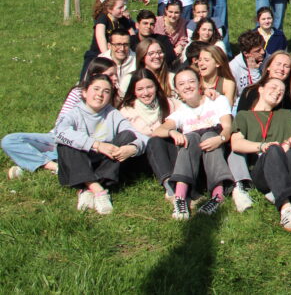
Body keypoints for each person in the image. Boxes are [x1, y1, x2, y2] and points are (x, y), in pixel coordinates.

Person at [230, 76, 291, 231]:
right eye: (273, 87)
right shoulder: (244, 116)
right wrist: (262, 146)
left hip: (286, 167)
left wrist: (289, 142)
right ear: (260, 89)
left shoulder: (284, 114)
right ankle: (286, 208)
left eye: (281, 92)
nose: (277, 92)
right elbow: (236, 143)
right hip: (262, 170)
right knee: (273, 149)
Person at [4, 60, 121, 181]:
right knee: (10, 141)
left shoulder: (117, 98)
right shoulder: (79, 92)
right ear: (95, 76)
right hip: (62, 138)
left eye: (116, 74)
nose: (115, 78)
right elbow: (61, 124)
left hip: (87, 147)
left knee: (76, 153)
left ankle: (33, 163)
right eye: (111, 75)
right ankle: (55, 166)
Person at [54, 72, 145, 215]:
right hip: (77, 164)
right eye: (96, 89)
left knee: (127, 136)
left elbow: (138, 136)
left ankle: (87, 189)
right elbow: (59, 132)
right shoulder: (74, 113)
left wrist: (133, 148)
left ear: (110, 96)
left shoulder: (113, 114)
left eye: (106, 91)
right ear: (85, 92)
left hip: (103, 165)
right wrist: (96, 145)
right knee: (67, 143)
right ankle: (97, 189)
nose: (100, 94)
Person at [152, 67, 234, 219]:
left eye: (191, 81)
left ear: (199, 83)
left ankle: (217, 196)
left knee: (209, 135)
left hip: (217, 153)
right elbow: (158, 131)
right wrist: (172, 132)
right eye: (181, 84)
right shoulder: (181, 112)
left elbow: (228, 127)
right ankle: (180, 198)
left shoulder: (217, 100)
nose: (187, 86)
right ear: (177, 90)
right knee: (190, 138)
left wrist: (220, 139)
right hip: (195, 164)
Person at [119, 67, 177, 197]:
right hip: (141, 157)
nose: (145, 93)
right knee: (154, 140)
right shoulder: (127, 111)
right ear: (134, 91)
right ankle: (169, 184)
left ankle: (178, 181)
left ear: (156, 87)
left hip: (167, 153)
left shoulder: (170, 104)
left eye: (149, 87)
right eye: (140, 89)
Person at [82, 0, 135, 76]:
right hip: (97, 54)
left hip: (117, 54)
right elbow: (100, 36)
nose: (123, 10)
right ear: (110, 9)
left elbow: (133, 36)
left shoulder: (122, 20)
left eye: (123, 7)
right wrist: (107, 56)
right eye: (120, 8)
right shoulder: (103, 18)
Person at [228, 30, 266, 97]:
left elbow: (263, 92)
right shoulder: (233, 68)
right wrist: (254, 71)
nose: (263, 52)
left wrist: (254, 71)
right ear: (246, 53)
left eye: (263, 47)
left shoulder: (267, 59)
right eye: (258, 51)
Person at [99, 28, 136, 96]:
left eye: (126, 44)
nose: (122, 49)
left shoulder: (137, 61)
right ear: (109, 46)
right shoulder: (100, 61)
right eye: (118, 44)